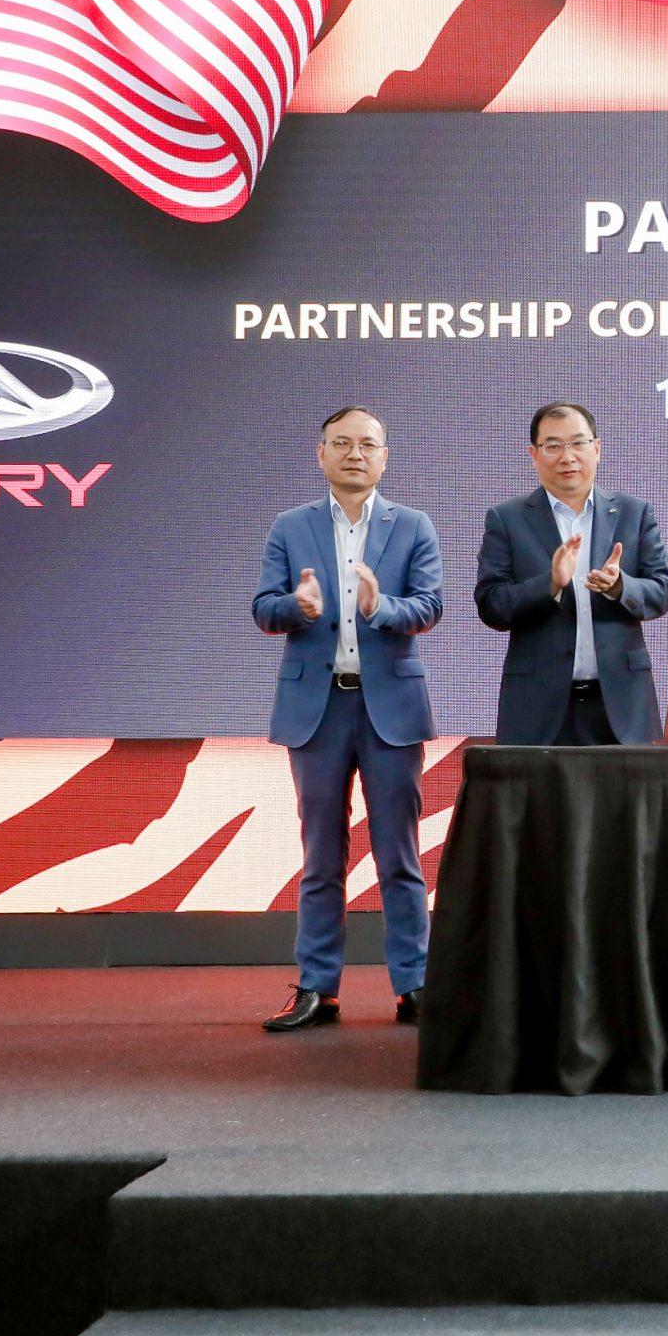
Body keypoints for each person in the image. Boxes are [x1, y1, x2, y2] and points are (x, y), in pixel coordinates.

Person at [251, 406, 445, 1031]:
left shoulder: (412, 525)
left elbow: (430, 606)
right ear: (321, 454)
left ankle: (415, 986)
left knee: (399, 855)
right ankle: (317, 988)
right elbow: (263, 608)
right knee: (320, 855)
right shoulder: (291, 526)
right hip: (318, 709)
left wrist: (380, 606)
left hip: (390, 709)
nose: (354, 453)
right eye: (341, 443)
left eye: (367, 444)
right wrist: (296, 606)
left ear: (384, 457)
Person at [474, 402, 668, 745]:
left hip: (622, 707)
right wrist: (550, 584)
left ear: (597, 449)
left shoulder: (633, 513)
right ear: (534, 454)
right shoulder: (507, 519)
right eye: (553, 445)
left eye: (578, 443)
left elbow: (664, 590)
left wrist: (620, 586)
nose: (567, 456)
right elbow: (491, 606)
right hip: (537, 709)